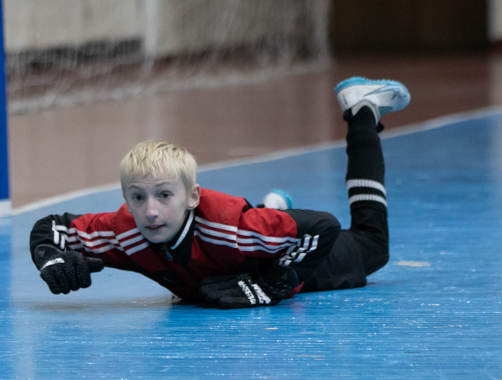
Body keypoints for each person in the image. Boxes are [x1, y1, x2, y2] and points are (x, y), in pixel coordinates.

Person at [28, 77, 410, 308]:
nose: (150, 212)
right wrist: (49, 258)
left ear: (192, 197)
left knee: (373, 246)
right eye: (138, 197)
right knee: (262, 230)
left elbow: (323, 227)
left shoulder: (231, 228)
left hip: (303, 259)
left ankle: (361, 109)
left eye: (164, 195)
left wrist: (273, 285)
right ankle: (274, 210)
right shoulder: (124, 230)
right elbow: (53, 227)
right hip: (253, 241)